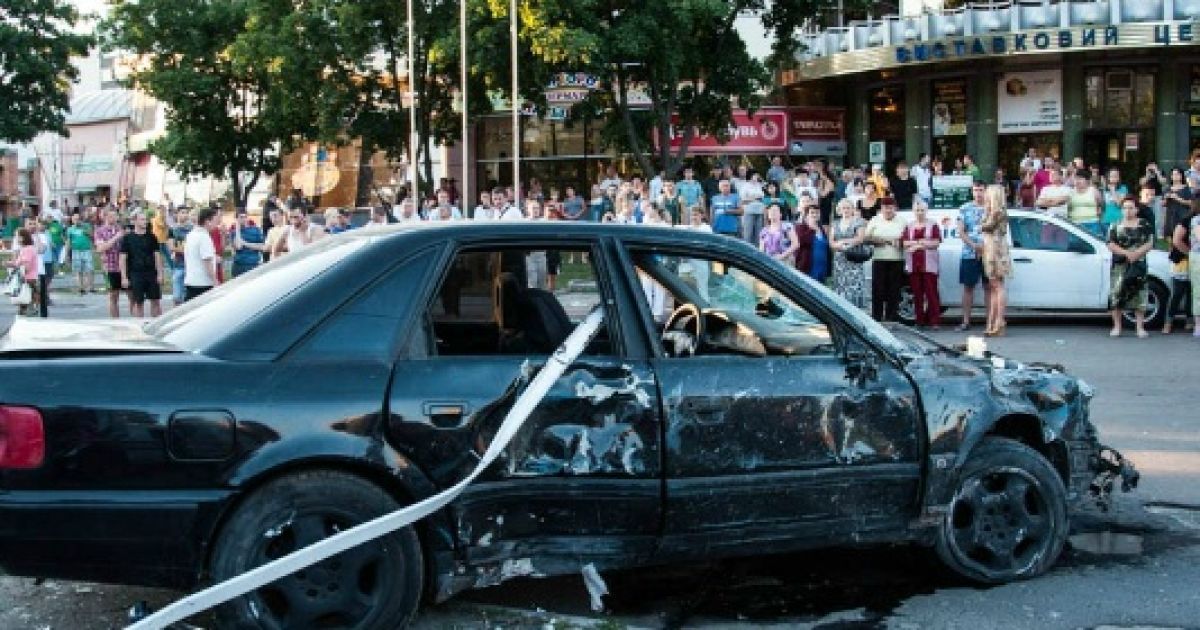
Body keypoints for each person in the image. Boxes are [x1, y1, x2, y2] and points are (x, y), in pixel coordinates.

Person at [1106, 198, 1155, 338]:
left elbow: (1150, 243)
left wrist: (1137, 254)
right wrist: (1126, 253)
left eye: (1131, 207)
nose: (1128, 211)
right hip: (1120, 264)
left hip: (1138, 263)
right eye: (1125, 208)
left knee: (1139, 293)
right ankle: (1117, 326)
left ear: (1136, 209)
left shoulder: (1144, 224)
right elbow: (1110, 243)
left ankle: (1140, 327)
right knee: (1117, 294)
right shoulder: (1115, 225)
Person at [864, 197, 906, 322]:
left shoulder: (902, 221)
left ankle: (891, 317)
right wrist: (879, 240)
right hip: (879, 259)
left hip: (896, 259)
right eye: (885, 208)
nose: (888, 211)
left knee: (894, 289)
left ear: (895, 209)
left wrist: (900, 242)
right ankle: (876, 317)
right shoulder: (875, 220)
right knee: (878, 289)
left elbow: (908, 238)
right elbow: (866, 238)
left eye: (890, 208)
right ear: (881, 209)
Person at [902, 201, 942, 328]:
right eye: (917, 210)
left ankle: (934, 321)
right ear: (913, 211)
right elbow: (905, 243)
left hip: (929, 264)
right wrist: (924, 242)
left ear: (926, 210)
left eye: (922, 210)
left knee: (931, 293)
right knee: (917, 293)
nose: (920, 213)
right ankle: (919, 321)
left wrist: (917, 244)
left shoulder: (933, 224)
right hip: (914, 264)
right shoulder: (909, 225)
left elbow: (935, 242)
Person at [957, 181, 989, 331]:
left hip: (989, 254)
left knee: (989, 287)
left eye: (981, 190)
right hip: (969, 253)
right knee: (968, 287)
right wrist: (974, 245)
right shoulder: (964, 208)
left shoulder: (991, 208)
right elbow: (961, 232)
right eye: (976, 190)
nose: (978, 193)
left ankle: (990, 321)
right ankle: (965, 321)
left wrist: (984, 247)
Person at [119, 212, 164, 318]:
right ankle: (138, 326)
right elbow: (122, 258)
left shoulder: (152, 237)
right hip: (135, 273)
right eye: (142, 219)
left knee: (156, 301)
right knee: (138, 302)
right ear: (135, 221)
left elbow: (157, 256)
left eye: (145, 219)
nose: (145, 222)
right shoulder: (127, 238)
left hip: (151, 272)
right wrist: (124, 277)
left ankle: (157, 325)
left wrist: (160, 274)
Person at [981, 185, 1012, 336]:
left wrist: (985, 215)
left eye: (987, 195)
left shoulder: (997, 212)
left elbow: (985, 227)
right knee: (994, 286)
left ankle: (999, 320)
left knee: (997, 286)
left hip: (996, 250)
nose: (985, 198)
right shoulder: (995, 212)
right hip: (992, 249)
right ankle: (992, 321)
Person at [830, 199, 868, 309]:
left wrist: (844, 242)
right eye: (843, 208)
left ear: (852, 209)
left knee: (854, 285)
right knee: (840, 285)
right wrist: (839, 246)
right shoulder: (835, 223)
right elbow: (831, 242)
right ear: (839, 210)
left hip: (854, 257)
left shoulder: (859, 221)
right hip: (839, 260)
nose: (845, 210)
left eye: (848, 208)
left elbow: (860, 238)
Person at [93, 209, 125, 318]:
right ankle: (115, 320)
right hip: (110, 266)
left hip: (123, 266)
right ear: (105, 217)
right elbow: (101, 248)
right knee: (113, 296)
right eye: (111, 216)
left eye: (115, 216)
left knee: (131, 295)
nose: (114, 218)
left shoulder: (120, 229)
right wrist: (116, 237)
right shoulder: (99, 231)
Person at [184, 208, 220, 301]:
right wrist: (215, 280)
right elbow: (207, 261)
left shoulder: (190, 235)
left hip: (191, 281)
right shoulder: (204, 237)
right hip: (203, 284)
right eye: (215, 221)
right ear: (208, 221)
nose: (217, 225)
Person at [7, 228, 40, 316]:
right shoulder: (25, 249)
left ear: (22, 238)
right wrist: (10, 264)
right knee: (27, 294)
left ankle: (31, 309)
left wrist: (19, 272)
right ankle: (25, 309)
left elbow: (26, 265)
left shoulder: (27, 249)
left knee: (27, 294)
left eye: (17, 236)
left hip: (28, 277)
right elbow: (19, 263)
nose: (16, 238)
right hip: (28, 276)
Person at [795, 204, 830, 281]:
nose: (815, 215)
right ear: (806, 215)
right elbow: (801, 242)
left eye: (817, 213)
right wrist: (811, 229)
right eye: (812, 212)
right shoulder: (800, 227)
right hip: (808, 267)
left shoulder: (821, 228)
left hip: (822, 267)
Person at [63, 213, 95, 295]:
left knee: (90, 270)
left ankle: (90, 287)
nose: (77, 221)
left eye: (78, 219)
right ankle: (81, 288)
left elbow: (92, 236)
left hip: (86, 250)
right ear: (72, 221)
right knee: (78, 270)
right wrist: (66, 254)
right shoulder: (70, 229)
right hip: (76, 251)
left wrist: (86, 232)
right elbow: (68, 242)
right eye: (75, 219)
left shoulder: (86, 226)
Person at [230, 209, 266, 277]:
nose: (244, 219)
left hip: (252, 264)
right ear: (236, 219)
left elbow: (262, 246)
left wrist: (245, 243)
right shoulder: (234, 233)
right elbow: (238, 246)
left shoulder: (255, 230)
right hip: (238, 266)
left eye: (245, 217)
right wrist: (237, 228)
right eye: (241, 217)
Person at [168, 208, 193, 305]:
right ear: (177, 214)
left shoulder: (192, 229)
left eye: (187, 213)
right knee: (177, 297)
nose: (185, 215)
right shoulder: (173, 229)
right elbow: (171, 247)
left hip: (191, 266)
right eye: (183, 213)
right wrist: (184, 251)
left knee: (189, 298)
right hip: (178, 265)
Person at [1163, 167, 1194, 241]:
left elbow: (1191, 203)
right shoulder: (1167, 188)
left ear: (1181, 176)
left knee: (1181, 239)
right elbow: (1163, 204)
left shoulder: (1186, 188)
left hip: (1182, 216)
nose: (1175, 176)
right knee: (1170, 239)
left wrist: (1178, 199)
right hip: (1170, 216)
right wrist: (1166, 198)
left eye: (1177, 174)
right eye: (1173, 174)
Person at [1101, 168, 1128, 235]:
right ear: (1108, 177)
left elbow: (1119, 204)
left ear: (1119, 178)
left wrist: (1113, 191)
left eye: (1116, 176)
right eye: (1112, 176)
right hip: (1106, 219)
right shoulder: (1105, 189)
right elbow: (1103, 205)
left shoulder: (1123, 188)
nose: (1114, 177)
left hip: (1119, 219)